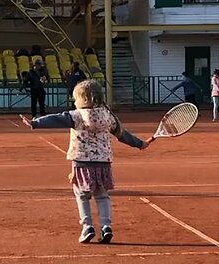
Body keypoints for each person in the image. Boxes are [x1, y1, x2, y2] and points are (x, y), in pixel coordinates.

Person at [20, 79, 152, 244]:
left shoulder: (77, 116)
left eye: (76, 99)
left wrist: (35, 123)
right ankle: (106, 227)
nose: (74, 102)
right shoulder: (109, 116)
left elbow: (56, 119)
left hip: (82, 162)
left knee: (82, 195)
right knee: (102, 196)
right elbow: (122, 134)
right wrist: (139, 143)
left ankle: (87, 226)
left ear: (84, 99)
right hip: (104, 163)